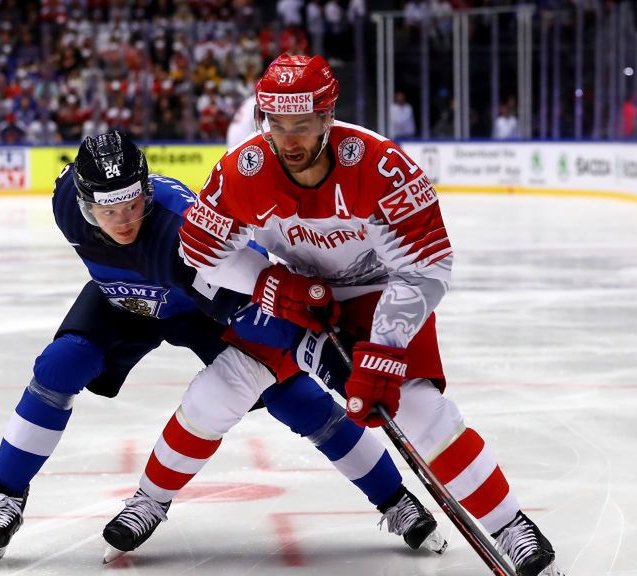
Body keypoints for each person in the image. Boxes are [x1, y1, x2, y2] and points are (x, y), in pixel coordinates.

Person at [123, 55, 564, 576]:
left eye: (302, 126)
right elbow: (200, 250)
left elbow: (427, 266)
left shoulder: (380, 165)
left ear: (328, 118)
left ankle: (513, 527)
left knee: (415, 408)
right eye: (277, 126)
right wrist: (269, 283)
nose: (288, 141)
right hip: (294, 293)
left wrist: (385, 345)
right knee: (225, 384)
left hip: (379, 291)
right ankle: (148, 499)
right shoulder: (246, 169)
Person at [0, 131, 445, 566]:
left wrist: (339, 370)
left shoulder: (184, 234)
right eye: (107, 212)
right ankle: (6, 495)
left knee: (294, 396)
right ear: (82, 204)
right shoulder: (64, 204)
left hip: (200, 306)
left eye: (133, 206)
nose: (123, 222)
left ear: (148, 194)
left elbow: (268, 306)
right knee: (59, 366)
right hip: (120, 298)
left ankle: (394, 499)